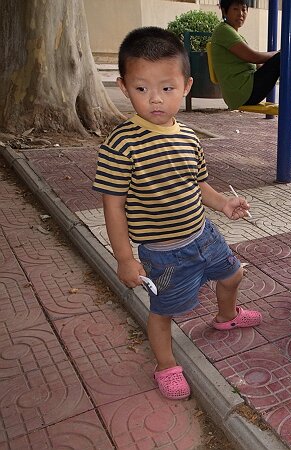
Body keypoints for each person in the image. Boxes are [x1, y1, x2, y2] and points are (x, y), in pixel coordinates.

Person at [93, 26, 262, 400]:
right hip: (164, 252)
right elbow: (113, 206)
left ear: (186, 85)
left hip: (204, 235)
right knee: (163, 312)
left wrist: (223, 203)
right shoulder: (121, 145)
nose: (155, 99)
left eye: (166, 88)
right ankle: (166, 364)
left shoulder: (188, 136)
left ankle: (225, 316)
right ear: (123, 87)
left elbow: (198, 184)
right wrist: (124, 258)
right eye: (141, 89)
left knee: (233, 276)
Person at [210, 0, 291, 111]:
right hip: (242, 92)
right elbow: (253, 57)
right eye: (235, 9)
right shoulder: (224, 31)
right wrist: (278, 54)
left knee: (282, 58)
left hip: (244, 90)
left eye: (244, 9)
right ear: (225, 11)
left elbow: (254, 63)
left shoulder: (231, 32)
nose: (241, 13)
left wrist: (273, 62)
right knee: (283, 57)